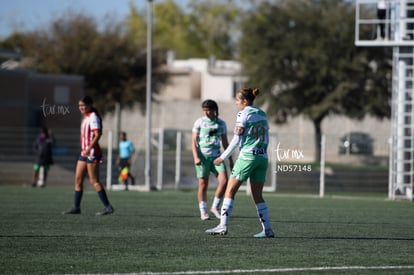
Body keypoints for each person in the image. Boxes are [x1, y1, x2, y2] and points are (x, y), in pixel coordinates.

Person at [205, 87, 275, 238]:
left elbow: (236, 139)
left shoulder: (243, 114)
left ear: (244, 101)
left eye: (237, 100)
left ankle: (222, 226)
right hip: (262, 157)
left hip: (247, 157)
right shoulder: (262, 113)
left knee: (230, 191)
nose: (236, 103)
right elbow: (266, 137)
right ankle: (267, 229)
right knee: (257, 195)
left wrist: (222, 157)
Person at [62, 96, 114, 215]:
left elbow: (98, 134)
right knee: (78, 180)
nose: (81, 108)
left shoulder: (93, 117)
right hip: (84, 152)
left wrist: (89, 148)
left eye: (83, 105)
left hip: (92, 152)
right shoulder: (86, 117)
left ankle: (107, 206)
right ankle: (76, 207)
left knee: (94, 180)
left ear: (90, 105)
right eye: (79, 106)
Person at [192, 99, 233, 220]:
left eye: (208, 110)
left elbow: (225, 143)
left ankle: (215, 206)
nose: (206, 113)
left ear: (214, 110)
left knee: (224, 181)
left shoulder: (221, 124)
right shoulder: (199, 122)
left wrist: (229, 159)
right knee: (203, 184)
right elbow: (193, 142)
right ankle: (203, 211)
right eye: (204, 110)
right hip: (203, 158)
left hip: (217, 157)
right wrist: (196, 157)